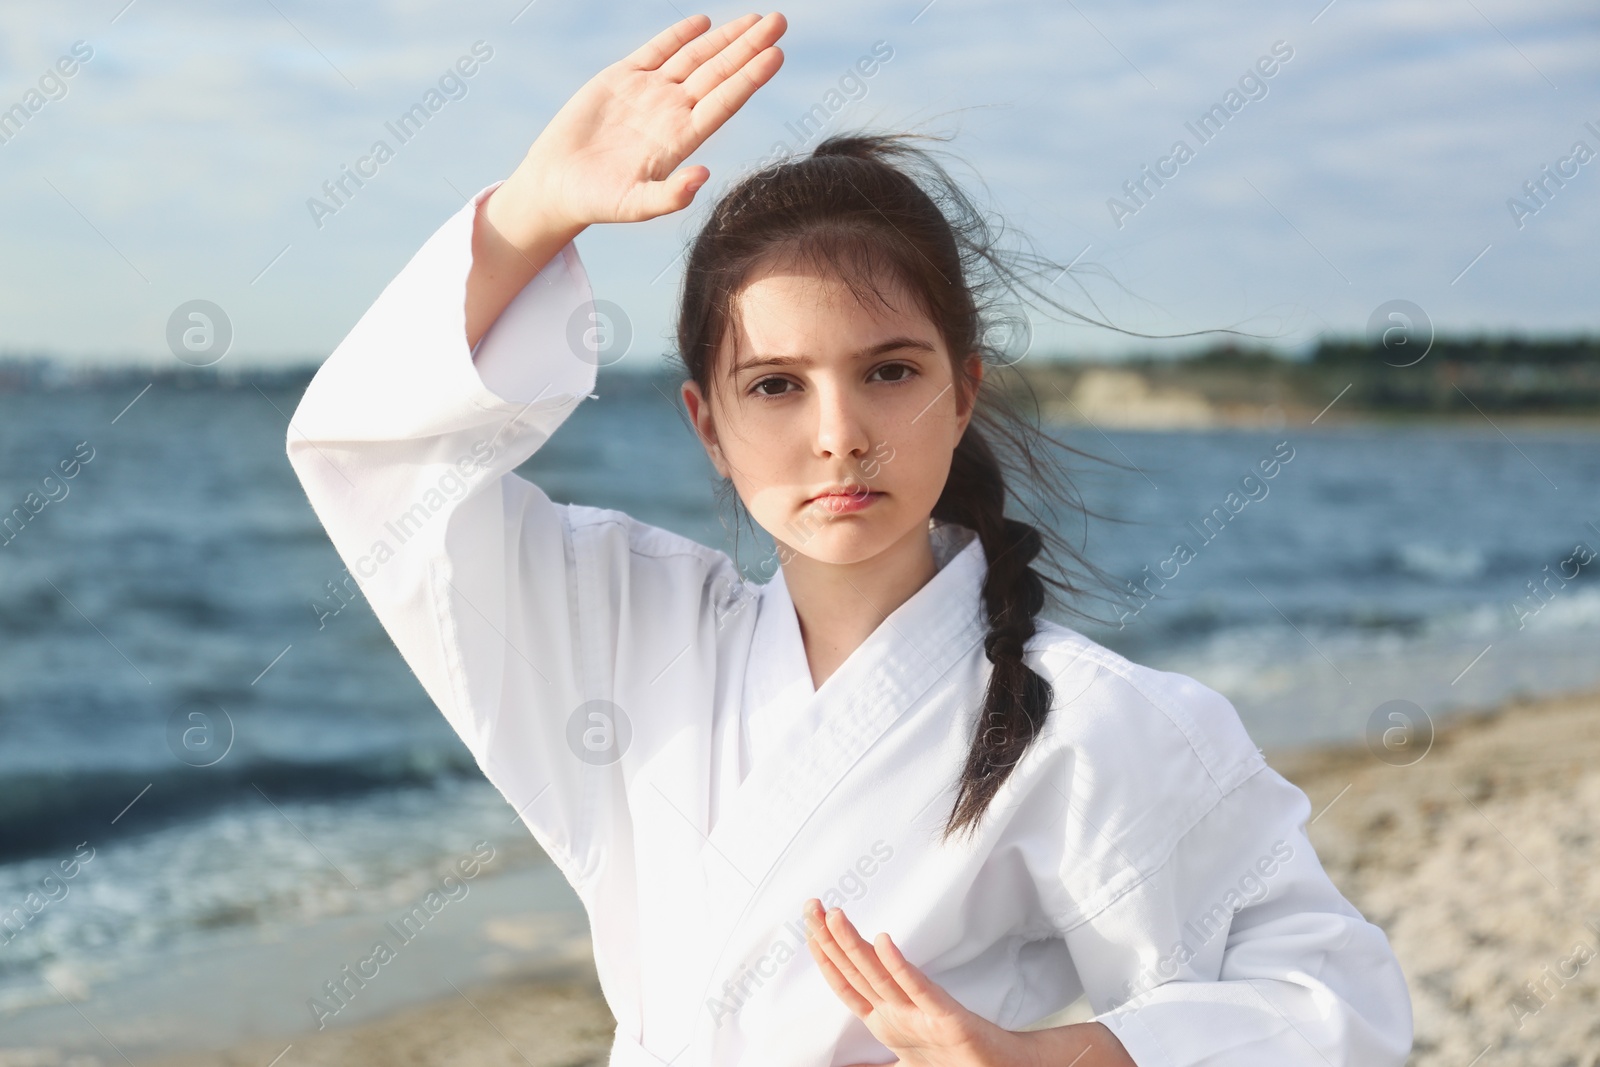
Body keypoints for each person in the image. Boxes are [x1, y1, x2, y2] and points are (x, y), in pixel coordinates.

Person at [286, 12, 1413, 1066]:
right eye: (774, 384)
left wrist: (1052, 1054)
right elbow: (380, 467)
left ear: (962, 390)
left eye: (889, 372)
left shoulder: (1088, 718)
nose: (838, 437)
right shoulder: (630, 633)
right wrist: (532, 209)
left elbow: (1339, 999)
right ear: (707, 424)